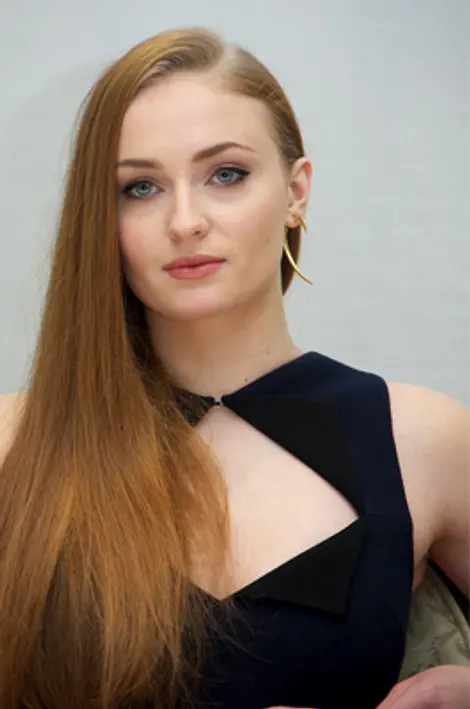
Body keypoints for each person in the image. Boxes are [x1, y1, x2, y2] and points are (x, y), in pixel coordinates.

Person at [0, 26, 468, 709]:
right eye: (139, 187)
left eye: (226, 174)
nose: (185, 221)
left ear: (296, 191)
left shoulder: (422, 439)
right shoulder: (16, 442)